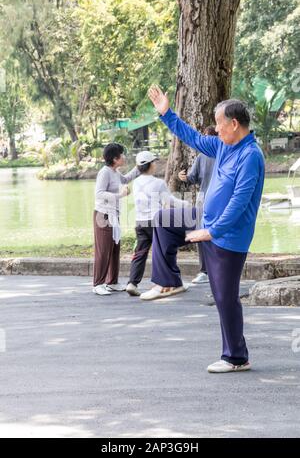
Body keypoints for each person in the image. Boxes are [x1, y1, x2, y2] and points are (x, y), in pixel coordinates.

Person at [145, 85, 265, 374]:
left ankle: (237, 357)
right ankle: (169, 281)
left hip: (229, 236)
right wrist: (166, 114)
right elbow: (195, 138)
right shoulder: (223, 145)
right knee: (164, 219)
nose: (216, 128)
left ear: (234, 124)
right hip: (206, 223)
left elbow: (239, 202)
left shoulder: (251, 156)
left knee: (225, 297)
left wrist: (213, 231)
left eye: (220, 123)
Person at [126, 150, 189, 297]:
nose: (156, 164)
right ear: (150, 165)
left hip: (140, 222)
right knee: (162, 252)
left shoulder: (136, 183)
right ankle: (164, 283)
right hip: (157, 222)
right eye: (154, 161)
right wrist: (186, 204)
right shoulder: (158, 183)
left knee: (140, 253)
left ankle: (132, 282)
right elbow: (170, 201)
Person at [93, 143, 140, 296]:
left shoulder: (114, 171)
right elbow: (99, 193)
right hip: (103, 215)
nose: (124, 157)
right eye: (122, 154)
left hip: (114, 214)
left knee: (114, 248)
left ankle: (112, 282)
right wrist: (120, 196)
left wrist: (139, 167)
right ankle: (98, 283)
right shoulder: (105, 173)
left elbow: (125, 180)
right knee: (103, 250)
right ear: (115, 159)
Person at [178, 125, 216, 284]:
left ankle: (205, 271)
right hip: (216, 200)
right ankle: (214, 270)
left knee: (202, 234)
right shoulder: (224, 154)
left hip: (205, 200)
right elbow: (192, 177)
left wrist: (183, 177)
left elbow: (191, 178)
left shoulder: (203, 156)